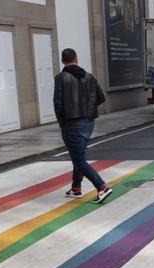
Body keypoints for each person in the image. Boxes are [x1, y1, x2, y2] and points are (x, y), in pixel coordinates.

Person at [54, 48, 112, 204]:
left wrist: (62, 122)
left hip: (72, 123)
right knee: (77, 155)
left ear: (62, 61)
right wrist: (88, 108)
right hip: (89, 122)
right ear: (77, 59)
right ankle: (76, 188)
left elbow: (58, 103)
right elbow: (101, 97)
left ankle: (102, 187)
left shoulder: (61, 78)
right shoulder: (89, 77)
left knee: (79, 160)